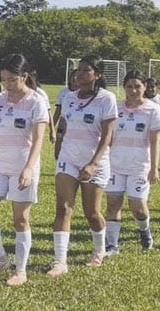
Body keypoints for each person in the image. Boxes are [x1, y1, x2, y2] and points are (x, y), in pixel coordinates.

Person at [0, 54, 48, 286]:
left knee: (20, 220)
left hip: (22, 168)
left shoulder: (37, 101)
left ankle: (20, 269)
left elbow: (39, 140)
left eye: (11, 80)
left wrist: (28, 168)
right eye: (4, 80)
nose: (7, 85)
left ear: (24, 77)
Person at [49, 54, 117, 276]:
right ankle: (60, 261)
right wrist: (59, 146)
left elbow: (107, 136)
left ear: (97, 75)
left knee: (92, 212)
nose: (79, 74)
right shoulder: (69, 97)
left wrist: (93, 163)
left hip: (93, 163)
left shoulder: (107, 99)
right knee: (63, 208)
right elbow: (65, 127)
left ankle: (99, 250)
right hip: (68, 158)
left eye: (86, 70)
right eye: (78, 70)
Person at [103, 70, 160, 256]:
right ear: (124, 88)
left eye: (138, 86)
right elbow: (108, 137)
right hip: (115, 164)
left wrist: (154, 168)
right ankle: (112, 245)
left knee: (137, 207)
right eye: (129, 86)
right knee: (113, 204)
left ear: (145, 87)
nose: (134, 90)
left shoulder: (153, 109)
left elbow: (155, 141)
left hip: (139, 166)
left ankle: (144, 231)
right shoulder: (117, 108)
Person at [51, 69, 77, 158]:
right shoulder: (63, 92)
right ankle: (58, 162)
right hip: (63, 121)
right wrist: (52, 127)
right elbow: (58, 110)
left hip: (75, 122)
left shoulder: (83, 94)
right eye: (73, 76)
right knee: (59, 141)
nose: (75, 78)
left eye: (77, 76)